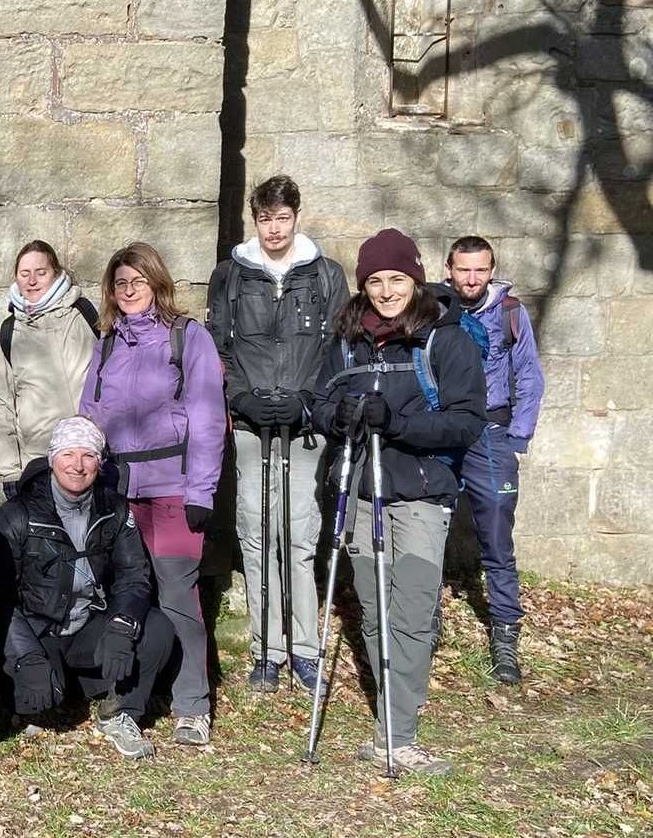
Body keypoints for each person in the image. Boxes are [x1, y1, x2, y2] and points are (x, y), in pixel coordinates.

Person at [312, 228, 485, 776]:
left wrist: (400, 423)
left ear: (415, 278)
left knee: (409, 612)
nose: (387, 291)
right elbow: (319, 402)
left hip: (420, 495)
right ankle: (391, 715)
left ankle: (399, 734)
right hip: (363, 492)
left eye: (397, 279)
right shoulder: (346, 339)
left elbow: (467, 423)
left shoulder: (444, 338)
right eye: (376, 281)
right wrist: (334, 418)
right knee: (371, 609)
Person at [79, 241, 226, 746]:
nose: (129, 291)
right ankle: (132, 692)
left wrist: (201, 491)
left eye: (137, 281)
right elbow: (90, 417)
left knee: (178, 594)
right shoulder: (107, 345)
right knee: (127, 593)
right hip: (120, 492)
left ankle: (192, 703)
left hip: (173, 493)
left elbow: (208, 420)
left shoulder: (189, 339)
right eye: (120, 283)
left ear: (156, 282)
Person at [205, 175, 348, 693]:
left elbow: (338, 349)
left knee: (300, 536)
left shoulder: (327, 275)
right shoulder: (232, 275)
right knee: (256, 532)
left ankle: (306, 648)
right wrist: (239, 397)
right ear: (255, 219)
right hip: (250, 422)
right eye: (265, 218)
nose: (273, 229)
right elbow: (218, 347)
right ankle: (267, 649)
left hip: (304, 425)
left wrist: (310, 402)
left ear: (296, 217)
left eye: (282, 218)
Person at [0, 416, 174, 760]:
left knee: (159, 629)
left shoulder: (115, 509)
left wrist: (123, 625)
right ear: (52, 460)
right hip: (38, 629)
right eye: (68, 455)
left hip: (89, 624)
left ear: (100, 463)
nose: (78, 465)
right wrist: (26, 655)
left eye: (89, 456)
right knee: (41, 702)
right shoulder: (17, 513)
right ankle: (49, 689)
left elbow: (134, 575)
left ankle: (122, 712)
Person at [445, 235, 544, 684]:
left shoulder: (510, 312)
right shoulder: (436, 309)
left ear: (491, 270)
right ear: (449, 269)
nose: (471, 279)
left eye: (479, 270)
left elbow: (529, 375)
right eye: (463, 269)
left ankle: (505, 634)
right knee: (423, 531)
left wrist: (516, 436)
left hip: (491, 433)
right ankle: (423, 629)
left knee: (498, 540)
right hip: (442, 432)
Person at [0, 240, 98, 501]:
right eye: (25, 274)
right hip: (38, 462)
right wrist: (9, 470)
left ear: (56, 274)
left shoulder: (86, 315)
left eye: (41, 272)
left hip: (90, 456)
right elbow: (0, 406)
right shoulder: (4, 334)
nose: (32, 280)